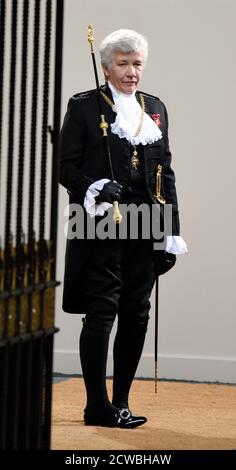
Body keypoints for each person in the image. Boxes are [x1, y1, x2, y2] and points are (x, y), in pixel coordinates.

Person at [59, 29, 187, 429]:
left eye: (137, 64)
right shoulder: (83, 107)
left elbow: (166, 174)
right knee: (101, 312)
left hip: (146, 222)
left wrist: (170, 231)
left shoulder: (156, 107)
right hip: (99, 220)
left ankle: (122, 402)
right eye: (123, 64)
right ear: (106, 66)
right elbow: (65, 167)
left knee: (137, 313)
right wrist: (93, 185)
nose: (132, 72)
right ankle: (96, 406)